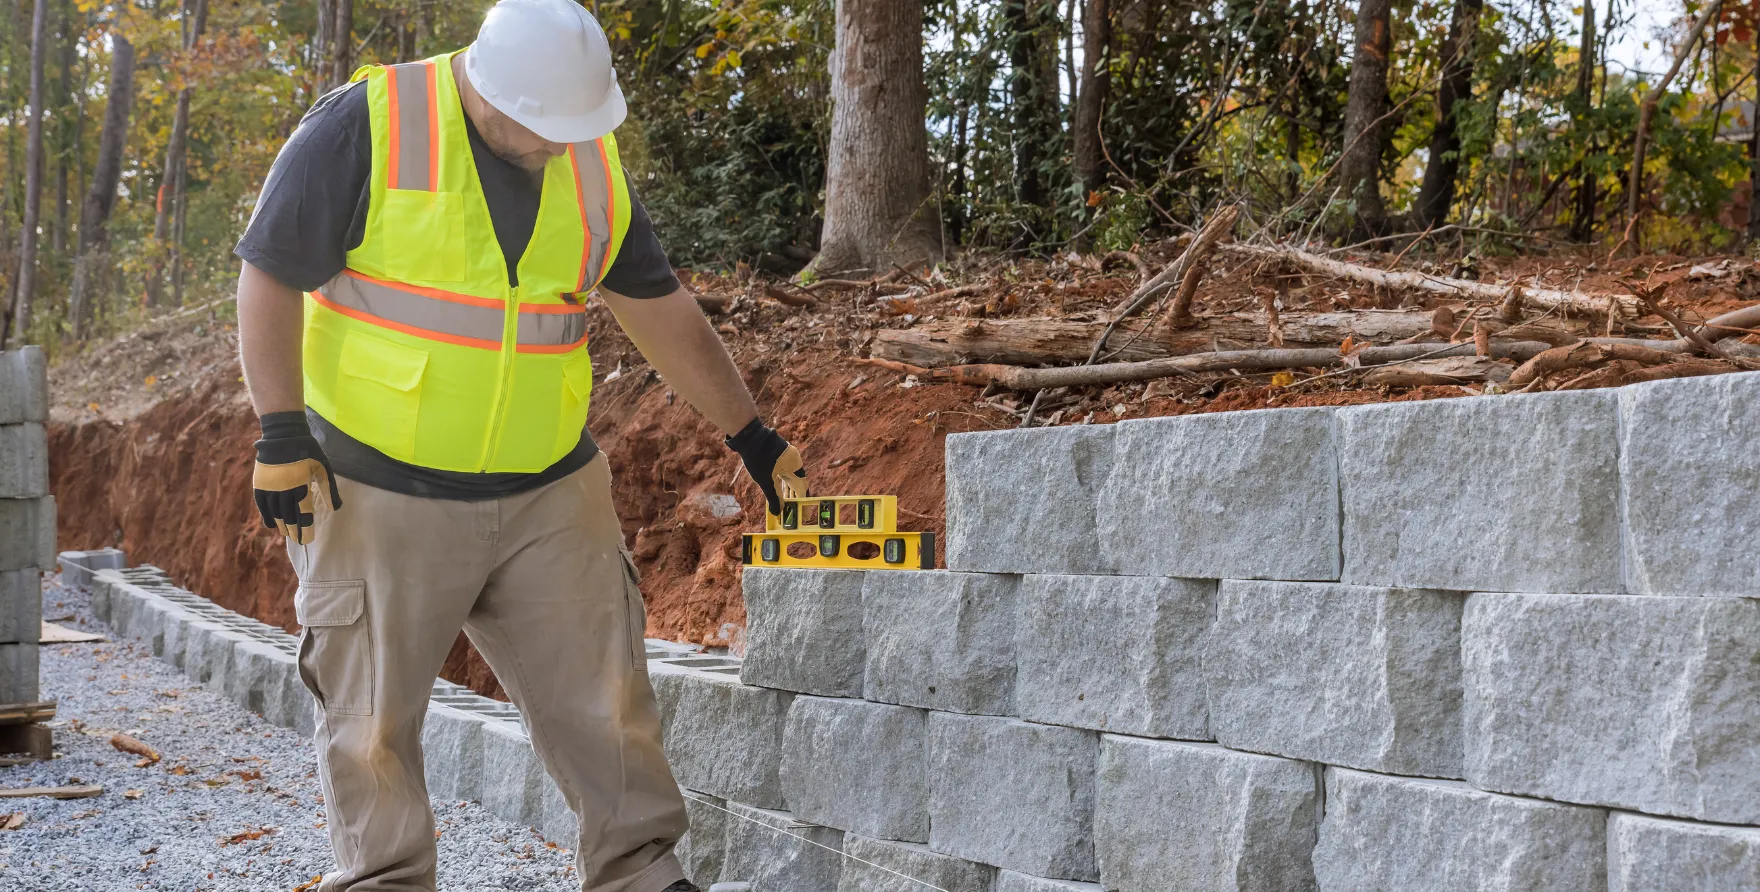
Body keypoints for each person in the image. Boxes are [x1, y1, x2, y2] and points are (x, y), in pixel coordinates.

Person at [232, 1, 805, 889]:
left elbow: (661, 310)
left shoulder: (585, 156)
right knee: (372, 723)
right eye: (535, 127)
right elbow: (268, 269)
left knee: (608, 704)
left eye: (568, 129)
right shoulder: (370, 123)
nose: (551, 144)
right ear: (484, 84)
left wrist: (751, 433)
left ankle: (642, 874)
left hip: (547, 489)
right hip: (378, 486)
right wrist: (278, 428)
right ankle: (387, 879)